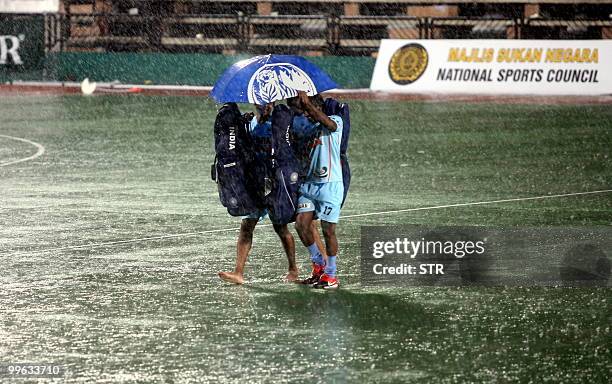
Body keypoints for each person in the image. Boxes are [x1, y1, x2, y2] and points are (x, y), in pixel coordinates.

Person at [218, 103, 299, 284]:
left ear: (273, 104)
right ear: (256, 104)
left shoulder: (279, 123)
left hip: (272, 181)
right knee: (247, 225)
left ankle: (293, 269)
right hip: (253, 181)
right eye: (262, 103)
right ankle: (238, 272)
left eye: (269, 103)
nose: (265, 107)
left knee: (280, 227)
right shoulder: (249, 123)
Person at [291, 91, 344, 289]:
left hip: (330, 185)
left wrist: (308, 106)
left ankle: (331, 275)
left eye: (307, 110)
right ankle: (318, 266)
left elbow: (328, 124)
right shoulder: (307, 127)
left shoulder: (334, 121)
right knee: (301, 225)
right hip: (309, 184)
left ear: (316, 107)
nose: (304, 114)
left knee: (328, 231)